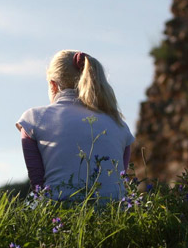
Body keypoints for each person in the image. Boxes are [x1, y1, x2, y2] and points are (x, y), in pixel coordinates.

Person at [16, 50, 135, 201]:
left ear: (53, 85)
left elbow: (38, 186)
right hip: (114, 215)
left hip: (59, 213)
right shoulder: (119, 124)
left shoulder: (33, 119)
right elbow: (119, 179)